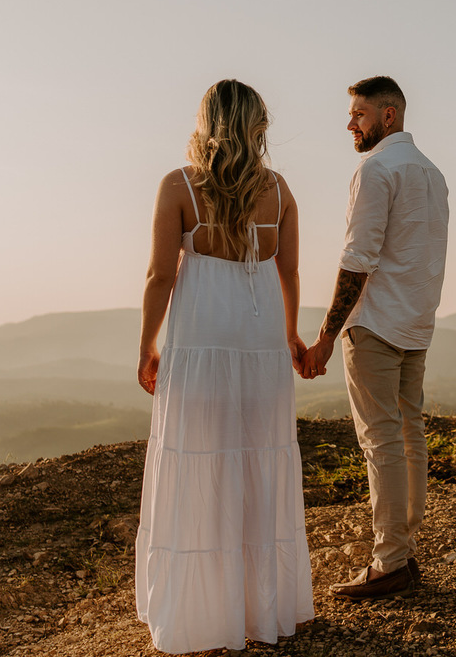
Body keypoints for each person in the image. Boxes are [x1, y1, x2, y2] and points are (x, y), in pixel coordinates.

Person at [134, 79, 314, 653]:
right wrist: (290, 334)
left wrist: (147, 345)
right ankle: (259, 609)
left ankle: (201, 612)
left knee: (199, 464)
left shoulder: (179, 185)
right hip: (260, 347)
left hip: (200, 344)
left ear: (206, 122)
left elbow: (160, 276)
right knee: (258, 466)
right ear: (258, 126)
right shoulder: (279, 191)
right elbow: (289, 273)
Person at [301, 76, 450, 601]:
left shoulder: (376, 169)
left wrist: (326, 336)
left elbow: (357, 258)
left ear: (389, 116)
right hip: (416, 324)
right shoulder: (433, 173)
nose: (350, 124)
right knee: (409, 435)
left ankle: (390, 562)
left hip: (376, 324)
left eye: (359, 115)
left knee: (381, 440)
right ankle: (403, 553)